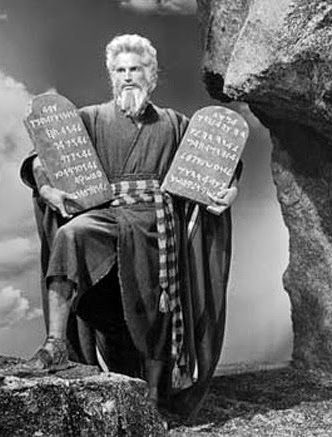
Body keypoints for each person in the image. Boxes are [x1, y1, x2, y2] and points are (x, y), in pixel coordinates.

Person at [20, 34, 241, 416]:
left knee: (157, 308)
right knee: (72, 234)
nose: (127, 77)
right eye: (119, 70)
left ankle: (153, 400)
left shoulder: (175, 123)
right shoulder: (89, 119)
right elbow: (42, 157)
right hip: (106, 215)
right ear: (111, 76)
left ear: (151, 75)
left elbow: (220, 161)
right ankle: (55, 344)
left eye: (135, 69)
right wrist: (46, 188)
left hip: (158, 225)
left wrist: (230, 191)